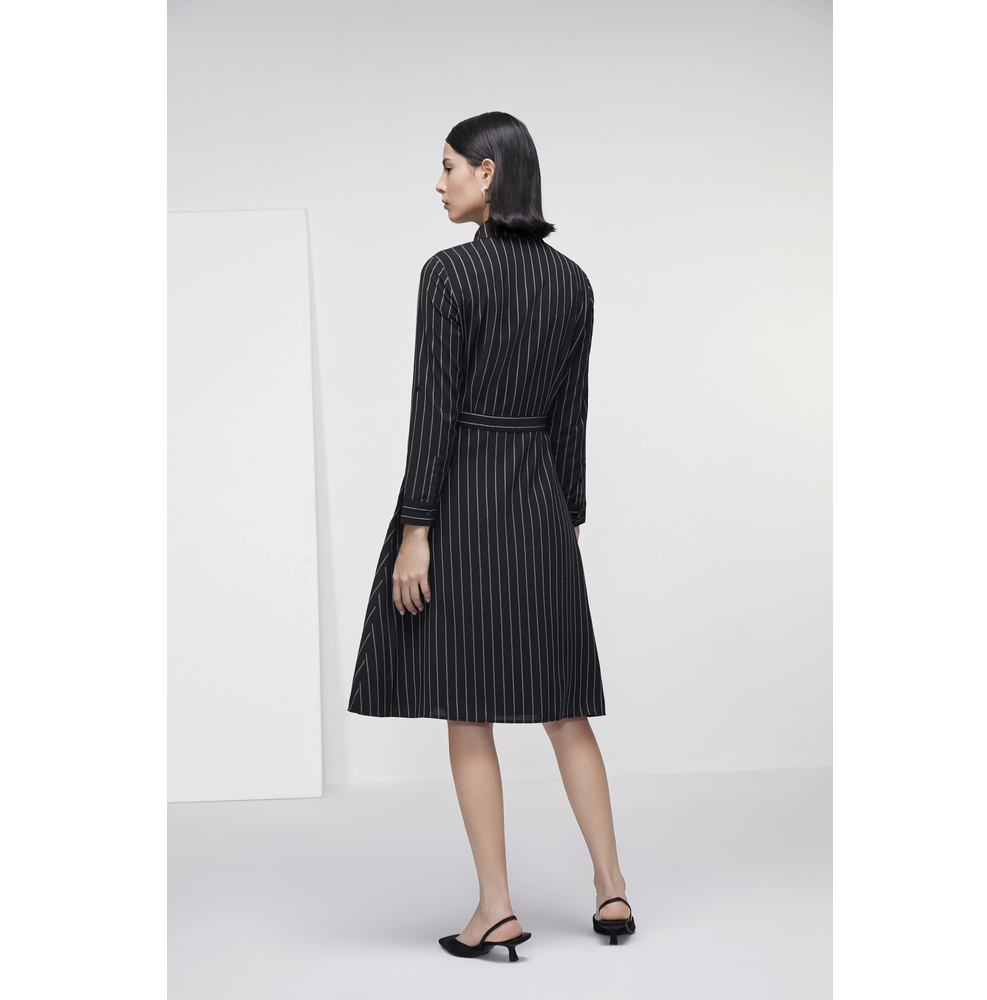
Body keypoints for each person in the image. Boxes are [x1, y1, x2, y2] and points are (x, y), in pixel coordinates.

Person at [347, 112, 635, 959]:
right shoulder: (573, 283)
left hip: (464, 502)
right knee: (564, 707)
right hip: (539, 504)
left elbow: (432, 412)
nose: (439, 183)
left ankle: (496, 909)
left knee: (467, 707)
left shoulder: (449, 274)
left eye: (448, 167)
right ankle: (612, 890)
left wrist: (416, 529)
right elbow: (572, 416)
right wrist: (565, 516)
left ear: (487, 171)